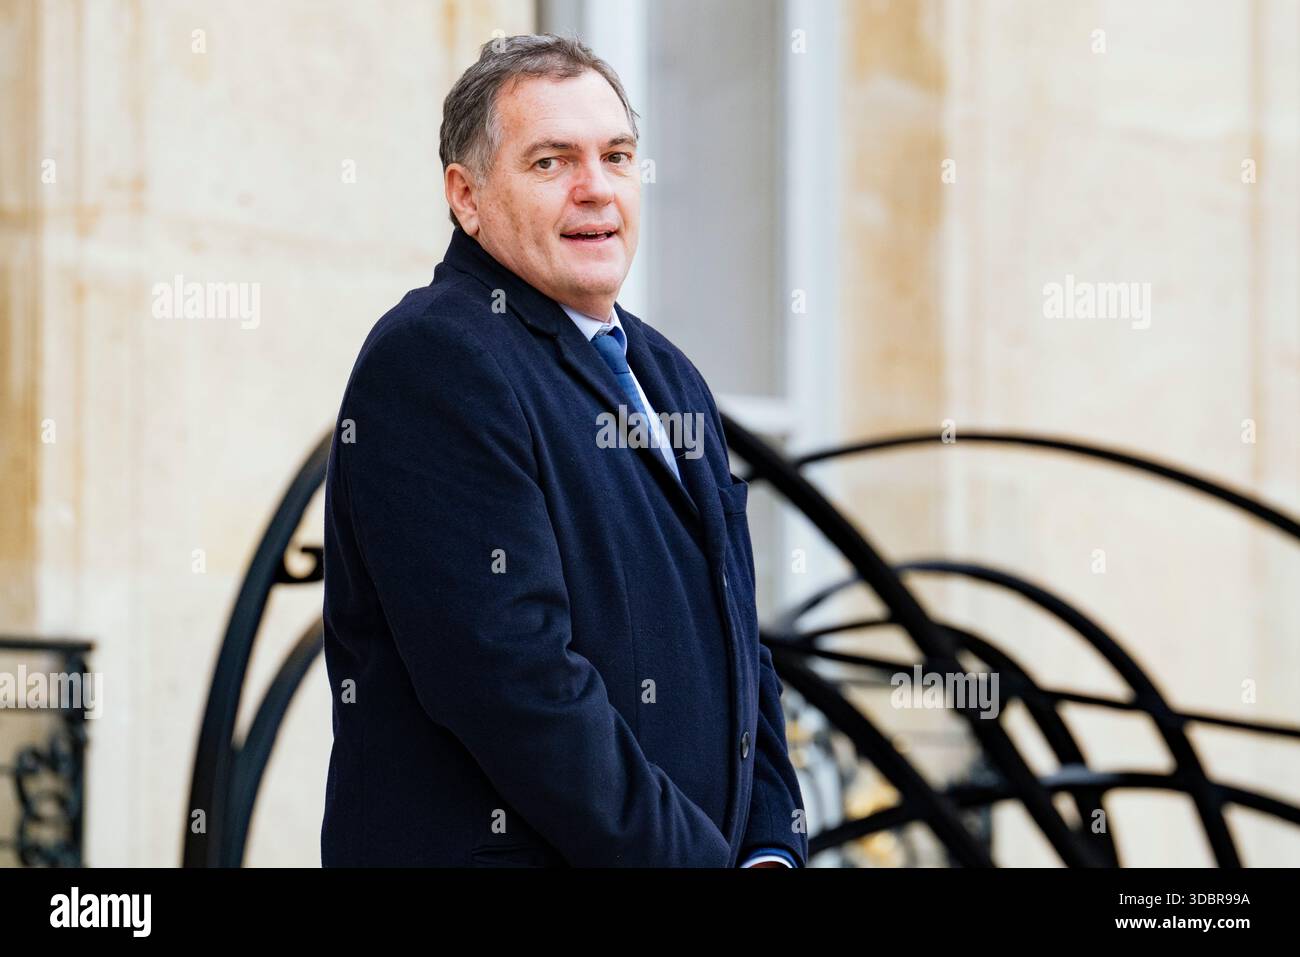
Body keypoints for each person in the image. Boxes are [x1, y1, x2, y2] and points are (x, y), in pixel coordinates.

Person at [320, 33, 807, 868]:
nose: (596, 190)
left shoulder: (667, 373)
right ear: (466, 197)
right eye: (551, 163)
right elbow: (518, 685)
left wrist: (770, 847)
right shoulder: (436, 360)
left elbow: (739, 648)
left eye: (617, 156)